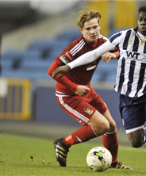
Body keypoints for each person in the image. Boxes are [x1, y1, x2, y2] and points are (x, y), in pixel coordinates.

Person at [52, 5, 146, 176]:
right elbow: (94, 54)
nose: (143, 22)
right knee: (135, 141)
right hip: (127, 95)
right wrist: (69, 66)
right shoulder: (123, 36)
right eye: (141, 19)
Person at [47, 10, 132, 169]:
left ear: (100, 26)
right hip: (68, 95)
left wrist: (113, 55)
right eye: (88, 29)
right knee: (102, 126)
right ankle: (64, 143)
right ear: (81, 31)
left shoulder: (104, 42)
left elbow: (126, 52)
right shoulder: (75, 48)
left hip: (86, 90)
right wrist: (74, 88)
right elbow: (52, 71)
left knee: (111, 125)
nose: (92, 31)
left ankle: (113, 163)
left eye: (95, 27)